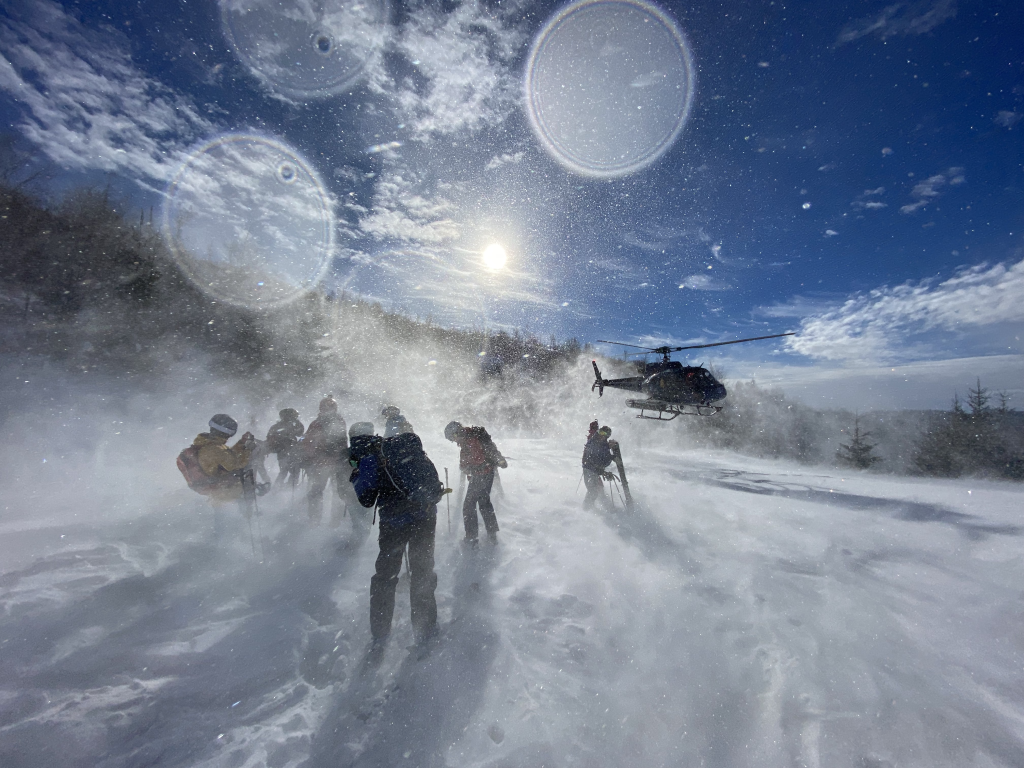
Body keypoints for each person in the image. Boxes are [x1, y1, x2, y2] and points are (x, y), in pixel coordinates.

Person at [349, 429, 443, 646]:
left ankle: (380, 632)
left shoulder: (370, 461)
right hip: (426, 517)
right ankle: (425, 629)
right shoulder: (410, 451)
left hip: (394, 524)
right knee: (423, 570)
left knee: (386, 576)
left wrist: (356, 476)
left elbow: (366, 500)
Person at [444, 421, 507, 545]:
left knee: (469, 505)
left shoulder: (470, 440)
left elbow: (478, 458)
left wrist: (469, 468)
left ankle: (472, 536)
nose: (454, 441)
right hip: (486, 474)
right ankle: (492, 533)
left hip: (481, 476)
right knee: (484, 502)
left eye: (453, 438)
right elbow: (481, 455)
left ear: (456, 433)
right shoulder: (469, 437)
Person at [188, 414, 256, 504]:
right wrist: (247, 450)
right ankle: (246, 514)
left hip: (216, 488)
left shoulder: (209, 444)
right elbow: (237, 464)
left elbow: (229, 456)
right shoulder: (214, 449)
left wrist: (241, 444)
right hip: (224, 492)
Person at [304, 396, 348, 525]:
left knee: (318, 491)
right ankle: (334, 521)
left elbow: (308, 442)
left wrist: (309, 457)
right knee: (337, 492)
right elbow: (343, 442)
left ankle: (315, 520)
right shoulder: (339, 421)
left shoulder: (317, 423)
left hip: (322, 463)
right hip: (336, 462)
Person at [266, 408, 305, 488]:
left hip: (281, 452)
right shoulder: (291, 426)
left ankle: (277, 489)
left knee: (284, 471)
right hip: (290, 452)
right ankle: (289, 487)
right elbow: (300, 433)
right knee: (294, 471)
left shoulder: (276, 426)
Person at [582, 425, 615, 511]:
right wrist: (600, 470)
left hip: (595, 471)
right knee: (592, 490)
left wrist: (611, 456)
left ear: (607, 436)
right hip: (589, 469)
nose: (601, 435)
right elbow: (590, 458)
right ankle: (586, 510)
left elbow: (605, 461)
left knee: (598, 490)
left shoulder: (604, 445)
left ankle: (593, 508)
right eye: (600, 432)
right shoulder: (593, 441)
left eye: (604, 434)